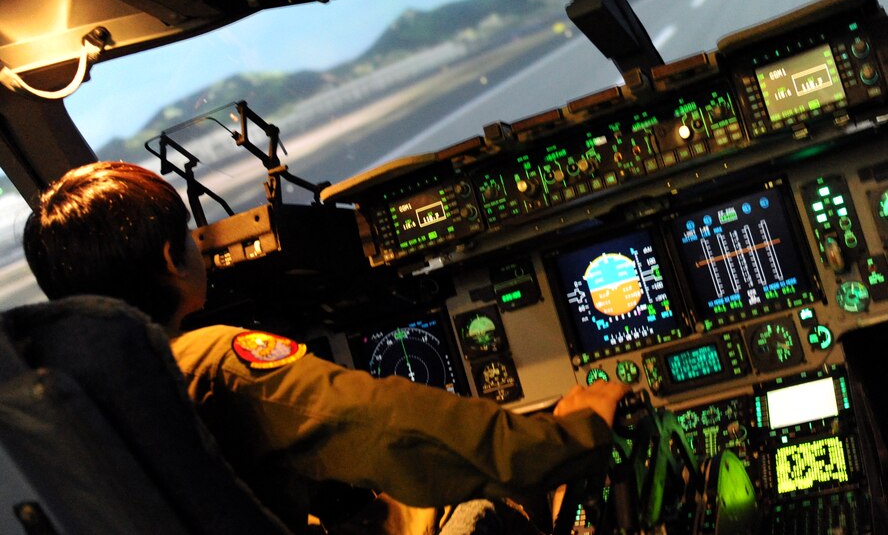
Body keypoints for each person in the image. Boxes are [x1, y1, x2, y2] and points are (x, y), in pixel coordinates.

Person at [22, 161, 630, 533]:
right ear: (168, 260)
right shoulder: (214, 363)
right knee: (492, 509)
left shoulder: (64, 408)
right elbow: (394, 429)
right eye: (187, 233)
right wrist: (573, 436)